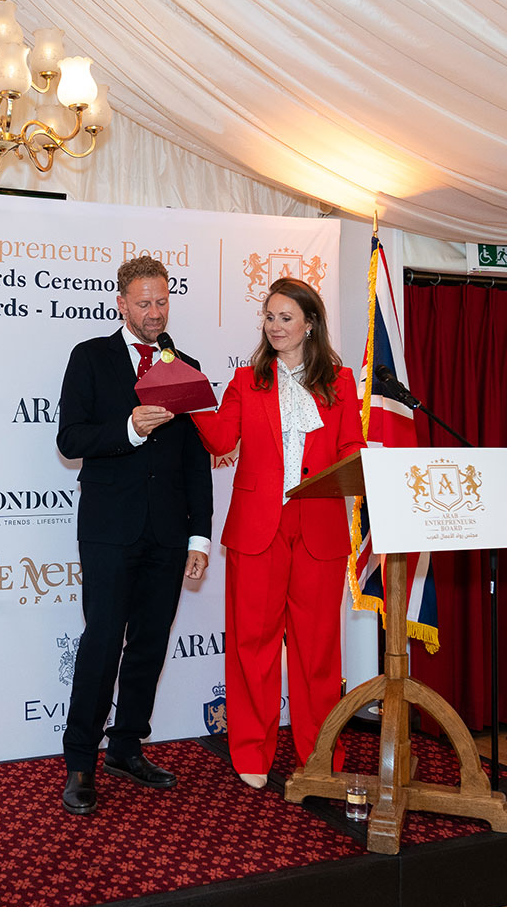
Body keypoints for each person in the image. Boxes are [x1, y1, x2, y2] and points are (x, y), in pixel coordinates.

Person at [56, 255, 213, 815]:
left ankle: (126, 748)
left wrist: (200, 538)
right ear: (121, 303)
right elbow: (70, 440)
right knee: (102, 643)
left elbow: (196, 461)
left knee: (149, 644)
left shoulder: (186, 365)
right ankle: (80, 761)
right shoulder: (90, 357)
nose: (155, 312)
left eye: (162, 301)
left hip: (168, 533)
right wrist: (127, 428)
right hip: (109, 530)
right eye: (144, 303)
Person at [191, 277, 363, 788]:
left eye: (286, 317)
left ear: (310, 324)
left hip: (320, 528)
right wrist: (191, 397)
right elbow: (221, 439)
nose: (275, 326)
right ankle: (250, 751)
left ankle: (320, 752)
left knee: (318, 651)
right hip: (256, 528)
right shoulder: (247, 381)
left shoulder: (341, 380)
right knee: (253, 645)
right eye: (269, 317)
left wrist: (365, 462)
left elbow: (350, 446)